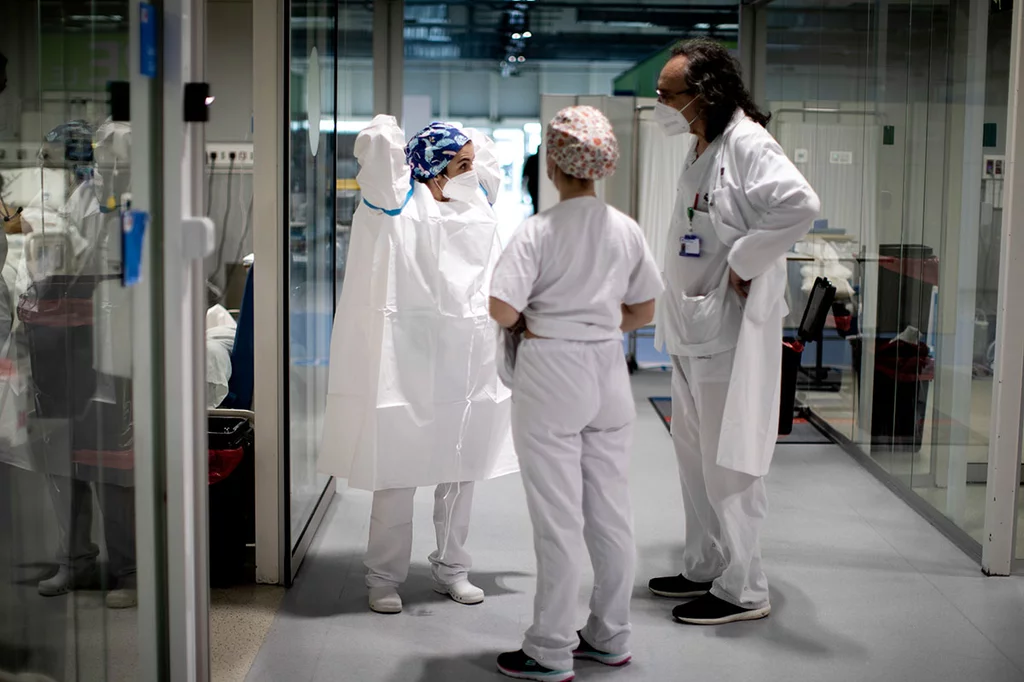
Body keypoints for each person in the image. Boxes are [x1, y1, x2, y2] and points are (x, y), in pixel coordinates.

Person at [647, 38, 820, 625]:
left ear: (707, 94)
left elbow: (799, 203)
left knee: (730, 463)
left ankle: (744, 587)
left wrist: (747, 260)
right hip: (695, 326)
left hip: (728, 329)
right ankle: (705, 563)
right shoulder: (707, 143)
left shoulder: (747, 142)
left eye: (671, 95)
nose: (664, 106)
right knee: (693, 458)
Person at [489, 106, 664, 682]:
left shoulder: (539, 231)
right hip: (609, 374)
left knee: (558, 519)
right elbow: (643, 308)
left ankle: (550, 648)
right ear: (601, 166)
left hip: (551, 376)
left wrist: (537, 325)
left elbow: (502, 307)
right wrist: (598, 324)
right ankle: (610, 636)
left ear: (556, 166)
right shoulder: (625, 229)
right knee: (610, 513)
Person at [318, 118, 516, 615]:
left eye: (472, 164)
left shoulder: (479, 204)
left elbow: (486, 159)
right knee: (396, 470)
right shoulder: (397, 200)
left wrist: (466, 147)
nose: (472, 173)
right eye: (460, 164)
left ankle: (454, 568)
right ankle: (383, 577)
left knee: (461, 467)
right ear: (430, 167)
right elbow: (379, 140)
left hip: (465, 364)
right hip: (404, 363)